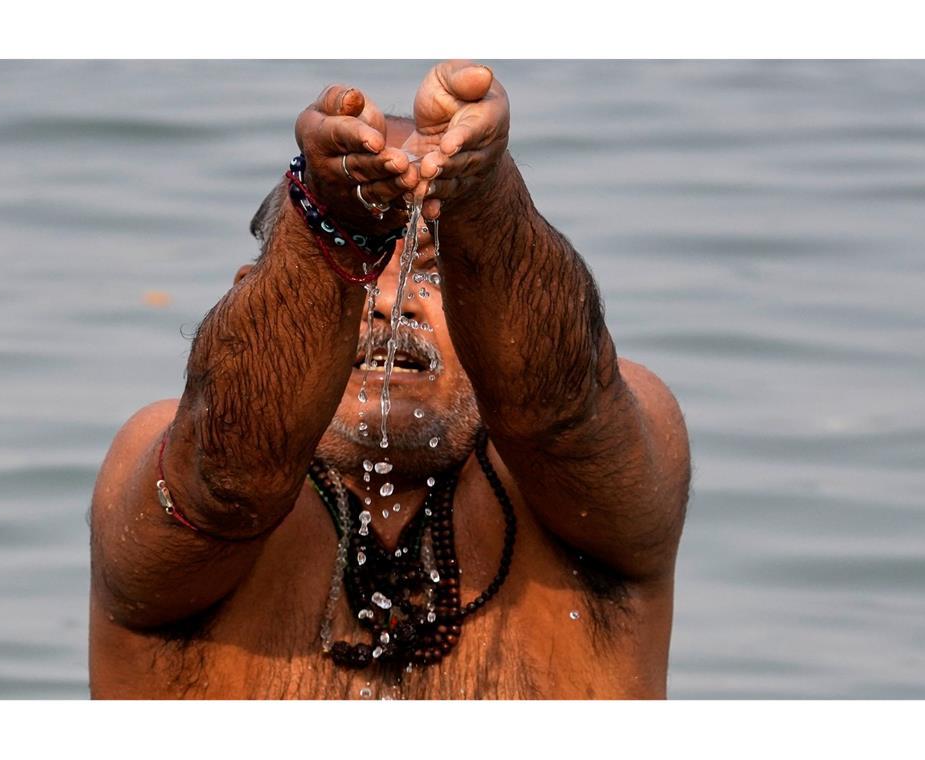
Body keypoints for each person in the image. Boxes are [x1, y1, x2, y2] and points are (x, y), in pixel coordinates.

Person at [88, 61, 690, 699]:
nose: (392, 302)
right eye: (366, 269)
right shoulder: (159, 460)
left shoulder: (606, 462)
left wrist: (482, 197)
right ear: (250, 298)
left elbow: (560, 415)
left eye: (431, 270)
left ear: (485, 313)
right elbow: (229, 477)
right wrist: (329, 226)